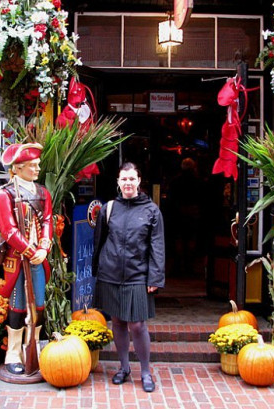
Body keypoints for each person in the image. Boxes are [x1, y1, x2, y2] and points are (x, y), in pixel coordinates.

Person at [92, 162, 165, 392]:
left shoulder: (151, 210)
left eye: (132, 179)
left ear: (139, 181)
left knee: (137, 325)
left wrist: (155, 277)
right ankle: (123, 368)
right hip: (111, 272)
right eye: (124, 179)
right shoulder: (109, 208)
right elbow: (99, 241)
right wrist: (97, 270)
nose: (128, 184)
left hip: (138, 274)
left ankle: (145, 372)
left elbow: (157, 246)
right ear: (118, 182)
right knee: (118, 322)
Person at [0, 143, 53, 376]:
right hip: (17, 259)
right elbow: (9, 230)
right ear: (18, 168)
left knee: (38, 305)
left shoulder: (42, 193)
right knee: (17, 306)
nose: (38, 169)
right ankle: (13, 353)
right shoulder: (3, 194)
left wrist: (44, 247)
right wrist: (30, 251)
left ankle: (33, 349)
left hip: (39, 257)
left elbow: (47, 221)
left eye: (37, 165)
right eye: (33, 166)